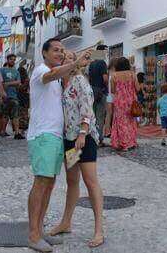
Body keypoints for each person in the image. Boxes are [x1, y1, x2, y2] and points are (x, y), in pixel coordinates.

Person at [27, 39, 91, 252]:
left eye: (62, 51)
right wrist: (75, 64)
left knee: (49, 184)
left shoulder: (60, 80)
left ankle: (40, 230)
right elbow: (51, 75)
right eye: (55, 50)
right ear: (44, 53)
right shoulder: (41, 70)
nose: (60, 53)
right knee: (41, 182)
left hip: (57, 138)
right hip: (43, 136)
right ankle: (33, 234)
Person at [49, 50, 105, 248]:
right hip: (69, 140)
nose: (69, 60)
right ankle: (66, 222)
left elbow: (87, 108)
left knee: (91, 182)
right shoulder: (59, 84)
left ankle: (99, 229)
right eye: (66, 58)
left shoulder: (80, 81)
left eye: (73, 58)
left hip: (84, 139)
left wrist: (82, 133)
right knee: (72, 180)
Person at [110, 57, 140, 152]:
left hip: (120, 101)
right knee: (131, 121)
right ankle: (132, 142)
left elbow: (113, 90)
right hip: (131, 101)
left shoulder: (114, 76)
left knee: (121, 122)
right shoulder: (132, 74)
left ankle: (124, 143)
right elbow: (138, 88)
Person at [88, 45, 109, 147]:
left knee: (93, 116)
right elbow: (105, 78)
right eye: (105, 51)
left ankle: (92, 137)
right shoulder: (102, 63)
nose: (106, 53)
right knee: (100, 116)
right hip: (101, 91)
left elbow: (89, 78)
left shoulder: (92, 64)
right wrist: (106, 86)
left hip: (92, 91)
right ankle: (99, 139)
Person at [1, 54, 25, 139]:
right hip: (4, 95)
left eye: (14, 60)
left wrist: (8, 83)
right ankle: (3, 131)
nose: (13, 61)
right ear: (7, 60)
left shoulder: (16, 71)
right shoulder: (2, 70)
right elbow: (0, 82)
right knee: (5, 114)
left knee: (15, 115)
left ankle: (17, 132)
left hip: (14, 95)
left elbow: (18, 82)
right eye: (11, 59)